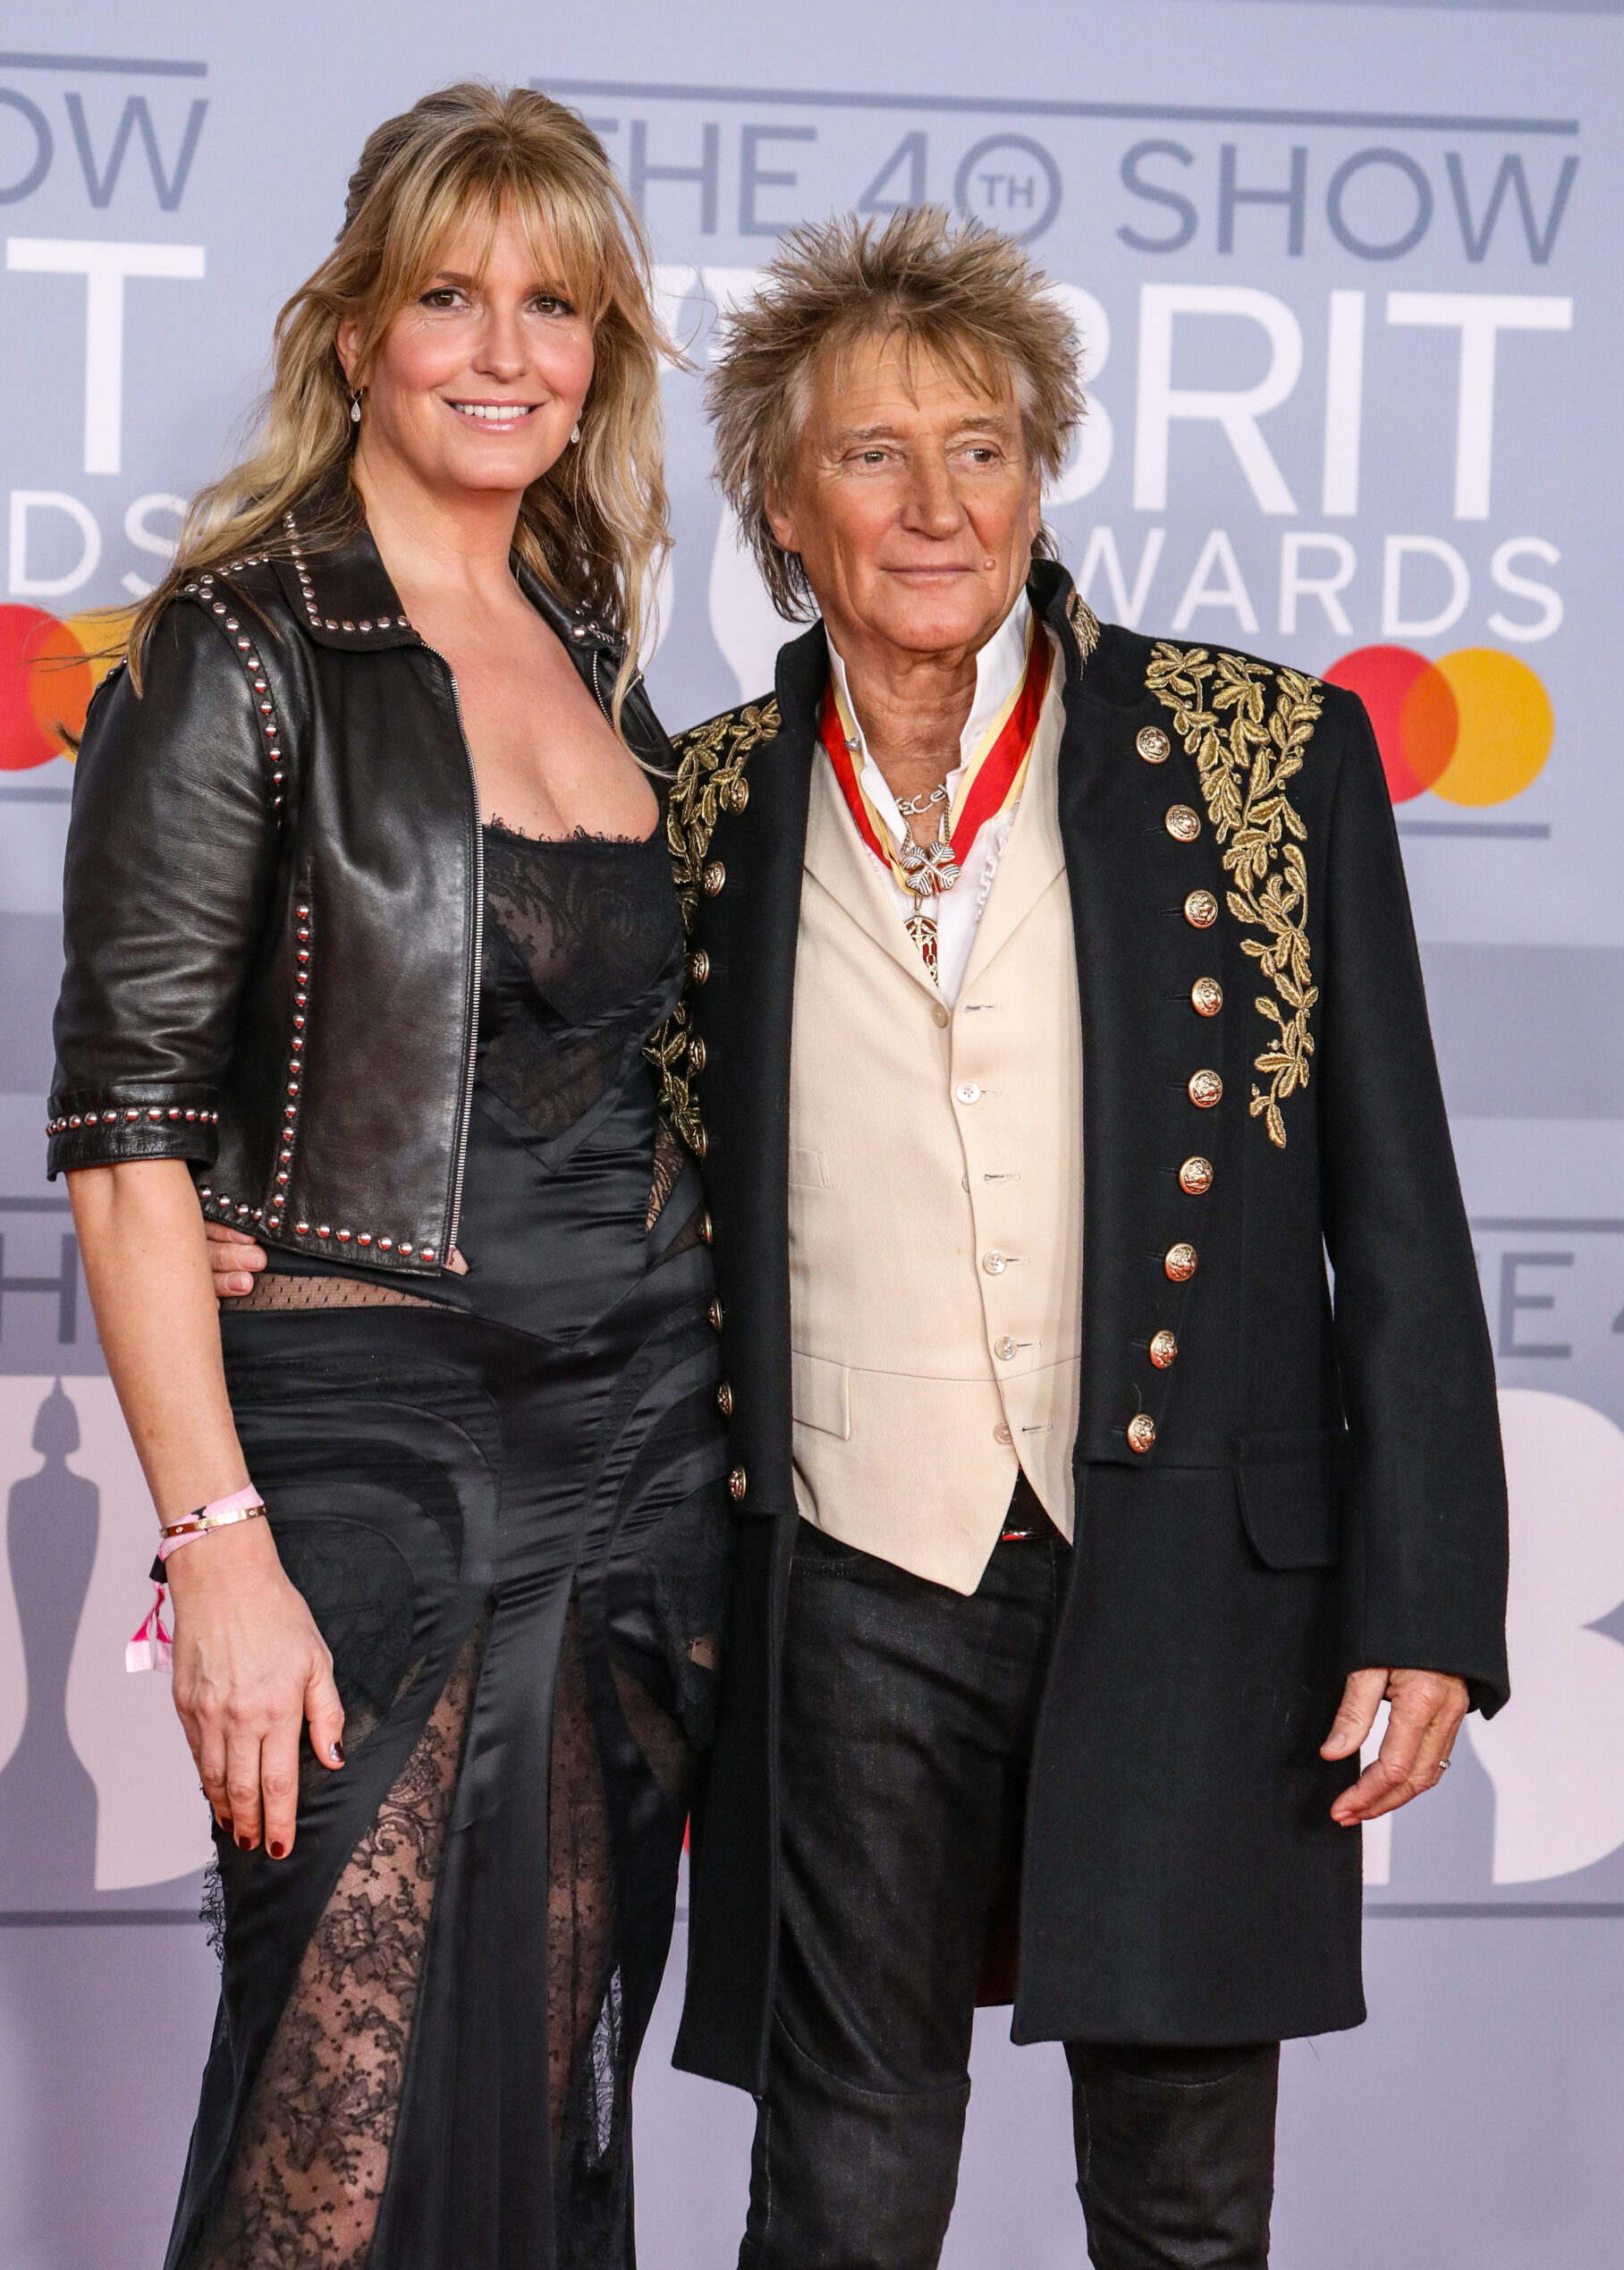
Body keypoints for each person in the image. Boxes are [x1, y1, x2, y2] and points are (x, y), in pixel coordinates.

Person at [636, 208, 1509, 2270]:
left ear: (1041, 474)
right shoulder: (701, 805)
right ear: (781, 494)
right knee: (841, 2194)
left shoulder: (1265, 757)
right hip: (848, 1565)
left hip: (1200, 1567)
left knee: (1188, 2202)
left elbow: (1397, 1204)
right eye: (874, 453)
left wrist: (1433, 1592)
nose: (938, 505)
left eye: (986, 447)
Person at [52, 84, 731, 2270]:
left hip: (637, 1450)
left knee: (543, 2095)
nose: (503, 349)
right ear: (355, 329)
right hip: (367, 1454)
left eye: (554, 305)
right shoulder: (233, 649)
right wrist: (216, 1549)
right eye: (449, 295)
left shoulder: (595, 635)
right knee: (326, 2127)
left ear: (604, 349)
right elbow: (127, 1139)